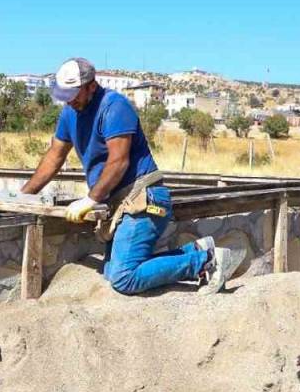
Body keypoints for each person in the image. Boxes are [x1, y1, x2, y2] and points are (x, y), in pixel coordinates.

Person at [21, 57, 245, 295]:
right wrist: (24, 196)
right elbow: (54, 157)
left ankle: (207, 262)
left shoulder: (114, 107)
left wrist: (90, 199)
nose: (70, 100)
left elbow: (119, 162)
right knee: (111, 271)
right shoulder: (69, 113)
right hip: (120, 200)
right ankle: (195, 251)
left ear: (91, 86)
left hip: (143, 197)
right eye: (65, 95)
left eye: (74, 94)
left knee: (123, 277)